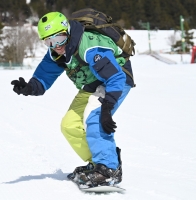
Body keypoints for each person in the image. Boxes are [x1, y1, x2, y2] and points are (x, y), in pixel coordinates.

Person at [11, 12, 134, 187]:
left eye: (59, 38)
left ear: (67, 31)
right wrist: (29, 87)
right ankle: (98, 164)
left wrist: (107, 107)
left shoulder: (89, 46)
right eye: (49, 42)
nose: (56, 46)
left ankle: (109, 168)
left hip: (116, 80)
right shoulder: (57, 52)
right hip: (93, 84)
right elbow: (44, 77)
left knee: (94, 119)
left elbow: (115, 78)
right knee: (69, 125)